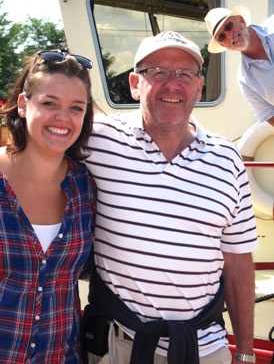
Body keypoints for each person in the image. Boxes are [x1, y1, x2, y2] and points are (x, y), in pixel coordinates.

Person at [82, 31, 258, 364]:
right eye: (158, 72)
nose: (172, 84)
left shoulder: (227, 158)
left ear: (199, 86)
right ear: (135, 83)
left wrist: (246, 353)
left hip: (205, 349)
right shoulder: (98, 141)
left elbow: (237, 263)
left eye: (185, 74)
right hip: (121, 345)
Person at [0, 50, 96, 363]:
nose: (63, 118)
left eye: (76, 108)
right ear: (23, 105)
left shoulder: (85, 187)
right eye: (49, 103)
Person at [204, 4, 274, 127]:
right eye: (221, 37)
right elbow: (270, 116)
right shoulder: (245, 81)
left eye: (229, 25)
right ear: (223, 46)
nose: (230, 35)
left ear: (241, 19)